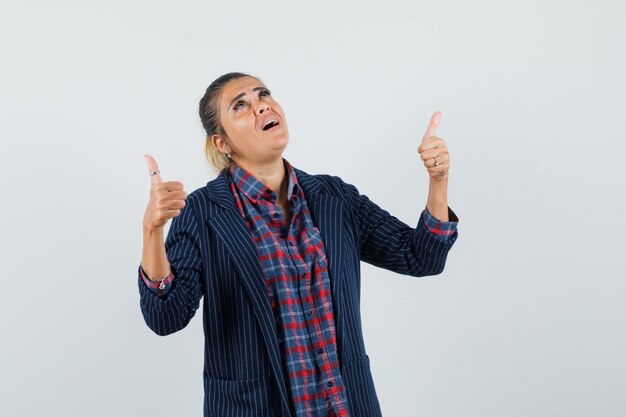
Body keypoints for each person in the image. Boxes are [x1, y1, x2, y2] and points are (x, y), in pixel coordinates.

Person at [138, 72, 459, 417]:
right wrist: (152, 230)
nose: (261, 106)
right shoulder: (202, 211)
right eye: (241, 105)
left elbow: (420, 257)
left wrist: (438, 180)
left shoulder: (334, 197)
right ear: (222, 144)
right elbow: (165, 317)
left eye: (263, 95)